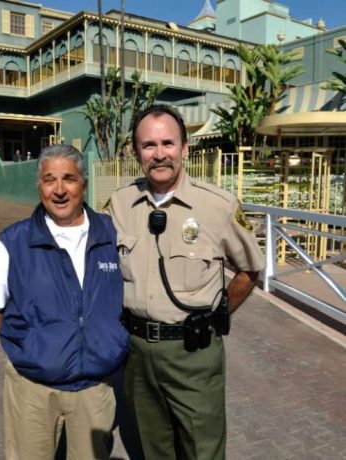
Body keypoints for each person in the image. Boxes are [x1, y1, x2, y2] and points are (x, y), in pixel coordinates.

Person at [107, 105, 265, 460]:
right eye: (148, 145)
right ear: (136, 152)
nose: (159, 153)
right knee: (150, 449)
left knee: (202, 449)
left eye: (167, 143)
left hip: (193, 354)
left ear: (184, 149)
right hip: (136, 353)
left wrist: (218, 311)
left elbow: (249, 269)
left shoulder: (217, 206)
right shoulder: (119, 204)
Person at [0, 144, 129, 460]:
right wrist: (31, 342)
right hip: (33, 389)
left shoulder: (111, 233)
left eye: (68, 178)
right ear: (38, 185)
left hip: (95, 387)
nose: (59, 190)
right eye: (48, 179)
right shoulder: (16, 240)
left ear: (83, 183)